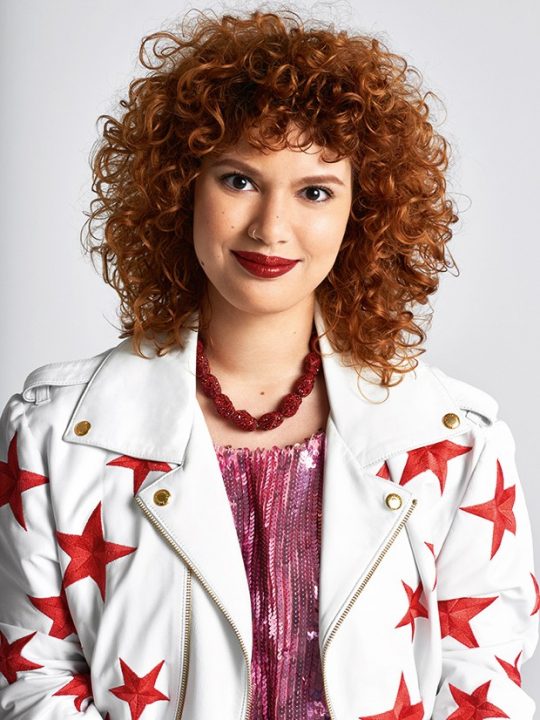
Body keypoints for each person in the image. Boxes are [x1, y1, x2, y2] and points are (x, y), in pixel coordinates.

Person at [0, 7, 538, 720]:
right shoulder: (52, 436)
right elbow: (33, 682)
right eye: (238, 180)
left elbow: (485, 693)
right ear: (180, 188)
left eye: (315, 191)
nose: (271, 228)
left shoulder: (459, 444)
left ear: (363, 213)